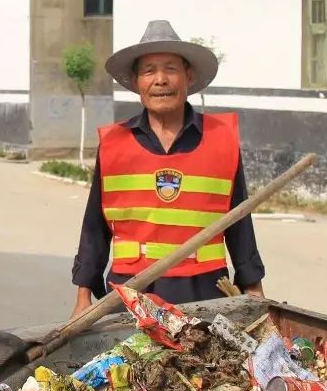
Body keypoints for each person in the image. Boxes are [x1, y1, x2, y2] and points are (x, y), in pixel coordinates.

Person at [71, 20, 265, 318]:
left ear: (188, 76)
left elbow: (240, 221)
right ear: (137, 82)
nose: (160, 79)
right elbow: (94, 227)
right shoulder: (114, 144)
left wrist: (253, 289)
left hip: (206, 291)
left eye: (171, 69)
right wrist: (83, 295)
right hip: (131, 293)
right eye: (149, 70)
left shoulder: (220, 140)